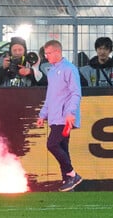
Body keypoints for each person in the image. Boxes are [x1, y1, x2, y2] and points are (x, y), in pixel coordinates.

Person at [36, 40, 84, 192]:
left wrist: (70, 113)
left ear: (57, 52)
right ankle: (68, 182)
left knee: (52, 144)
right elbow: (50, 96)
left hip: (65, 117)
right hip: (55, 117)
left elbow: (76, 92)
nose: (46, 56)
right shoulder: (51, 71)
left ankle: (72, 174)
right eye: (45, 53)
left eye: (49, 53)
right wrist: (43, 114)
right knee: (63, 147)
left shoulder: (69, 69)